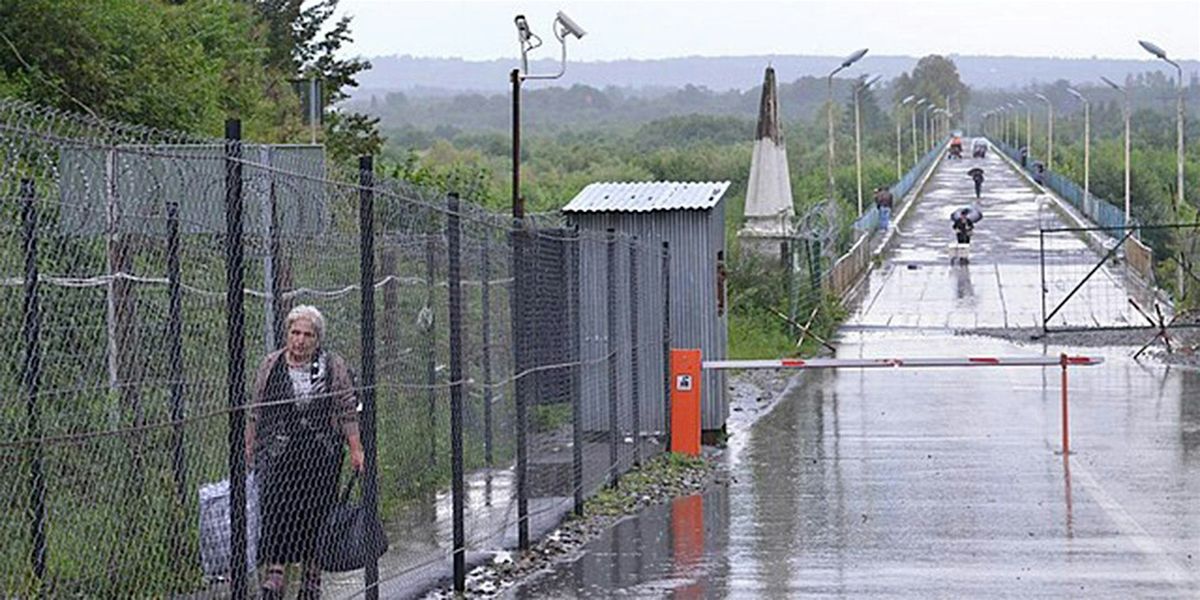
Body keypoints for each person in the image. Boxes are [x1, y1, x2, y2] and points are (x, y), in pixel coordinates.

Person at [246, 305, 363, 600]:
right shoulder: (271, 364)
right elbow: (256, 409)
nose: (299, 340)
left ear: (317, 338)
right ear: (287, 334)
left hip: (320, 452)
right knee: (276, 509)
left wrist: (355, 449)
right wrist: (249, 445)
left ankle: (312, 579)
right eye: (295, 332)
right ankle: (275, 576)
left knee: (317, 513)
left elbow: (347, 408)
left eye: (307, 335)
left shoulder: (331, 365)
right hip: (279, 451)